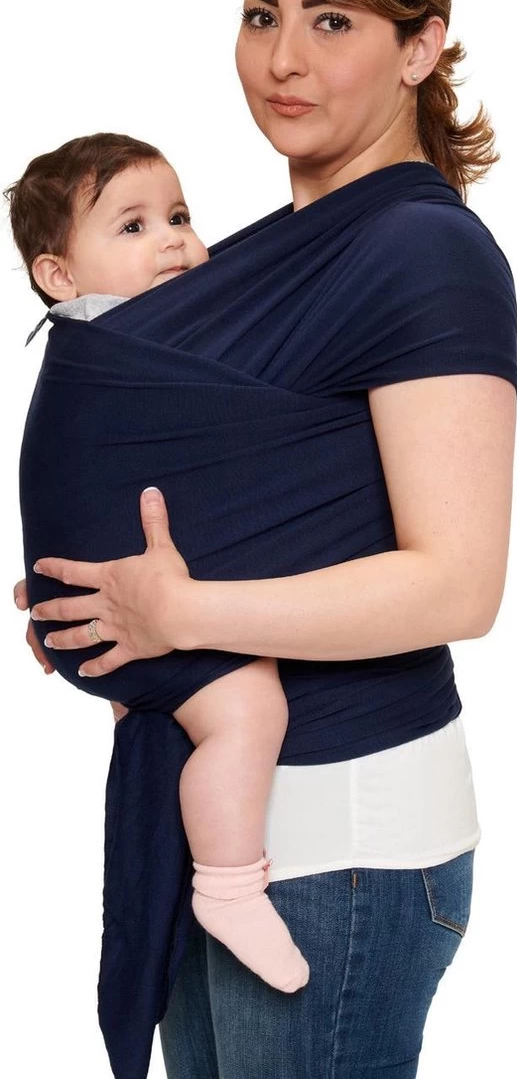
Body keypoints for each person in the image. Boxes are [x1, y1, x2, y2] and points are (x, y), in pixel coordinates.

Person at [14, 0, 517, 1077]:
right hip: (219, 824)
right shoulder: (259, 252)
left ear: (420, 48)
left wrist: (178, 614)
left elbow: (458, 585)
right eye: (261, 14)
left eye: (332, 20)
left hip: (342, 839)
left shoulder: (425, 252)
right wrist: (102, 606)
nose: (282, 58)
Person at [7, 131, 310, 994]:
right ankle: (228, 884)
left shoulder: (132, 335)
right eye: (133, 226)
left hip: (90, 602)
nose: (174, 240)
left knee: (199, 713)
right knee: (249, 707)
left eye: (179, 216)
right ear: (60, 276)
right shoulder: (115, 343)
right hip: (107, 604)